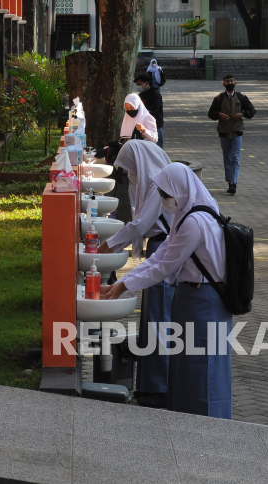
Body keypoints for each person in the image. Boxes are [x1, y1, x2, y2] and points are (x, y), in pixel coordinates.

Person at [100, 163, 232, 419]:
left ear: (180, 190)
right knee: (187, 369)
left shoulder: (195, 221)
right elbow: (159, 256)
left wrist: (123, 286)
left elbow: (165, 267)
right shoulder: (186, 214)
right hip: (191, 299)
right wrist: (122, 283)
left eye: (165, 195)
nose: (162, 201)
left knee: (205, 371)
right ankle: (186, 422)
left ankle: (210, 428)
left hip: (205, 303)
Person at [98, 141, 175, 408]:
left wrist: (111, 244)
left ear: (139, 162)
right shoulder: (149, 181)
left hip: (162, 247)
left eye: (129, 167)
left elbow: (141, 223)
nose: (128, 173)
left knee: (159, 318)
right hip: (159, 245)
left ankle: (159, 386)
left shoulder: (157, 185)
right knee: (153, 317)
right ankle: (151, 383)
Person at [207, 74, 256, 195]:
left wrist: (242, 114)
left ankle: (233, 183)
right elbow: (211, 113)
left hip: (237, 132)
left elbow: (252, 111)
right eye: (227, 81)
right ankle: (229, 181)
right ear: (223, 84)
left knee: (235, 157)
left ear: (235, 83)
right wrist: (219, 114)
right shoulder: (219, 98)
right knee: (227, 158)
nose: (230, 83)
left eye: (232, 81)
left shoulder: (241, 97)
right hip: (223, 132)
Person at [135, 74, 165, 148]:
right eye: (137, 85)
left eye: (140, 84)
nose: (138, 87)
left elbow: (154, 110)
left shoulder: (155, 94)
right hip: (145, 126)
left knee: (157, 149)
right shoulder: (141, 94)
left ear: (146, 83)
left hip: (156, 125)